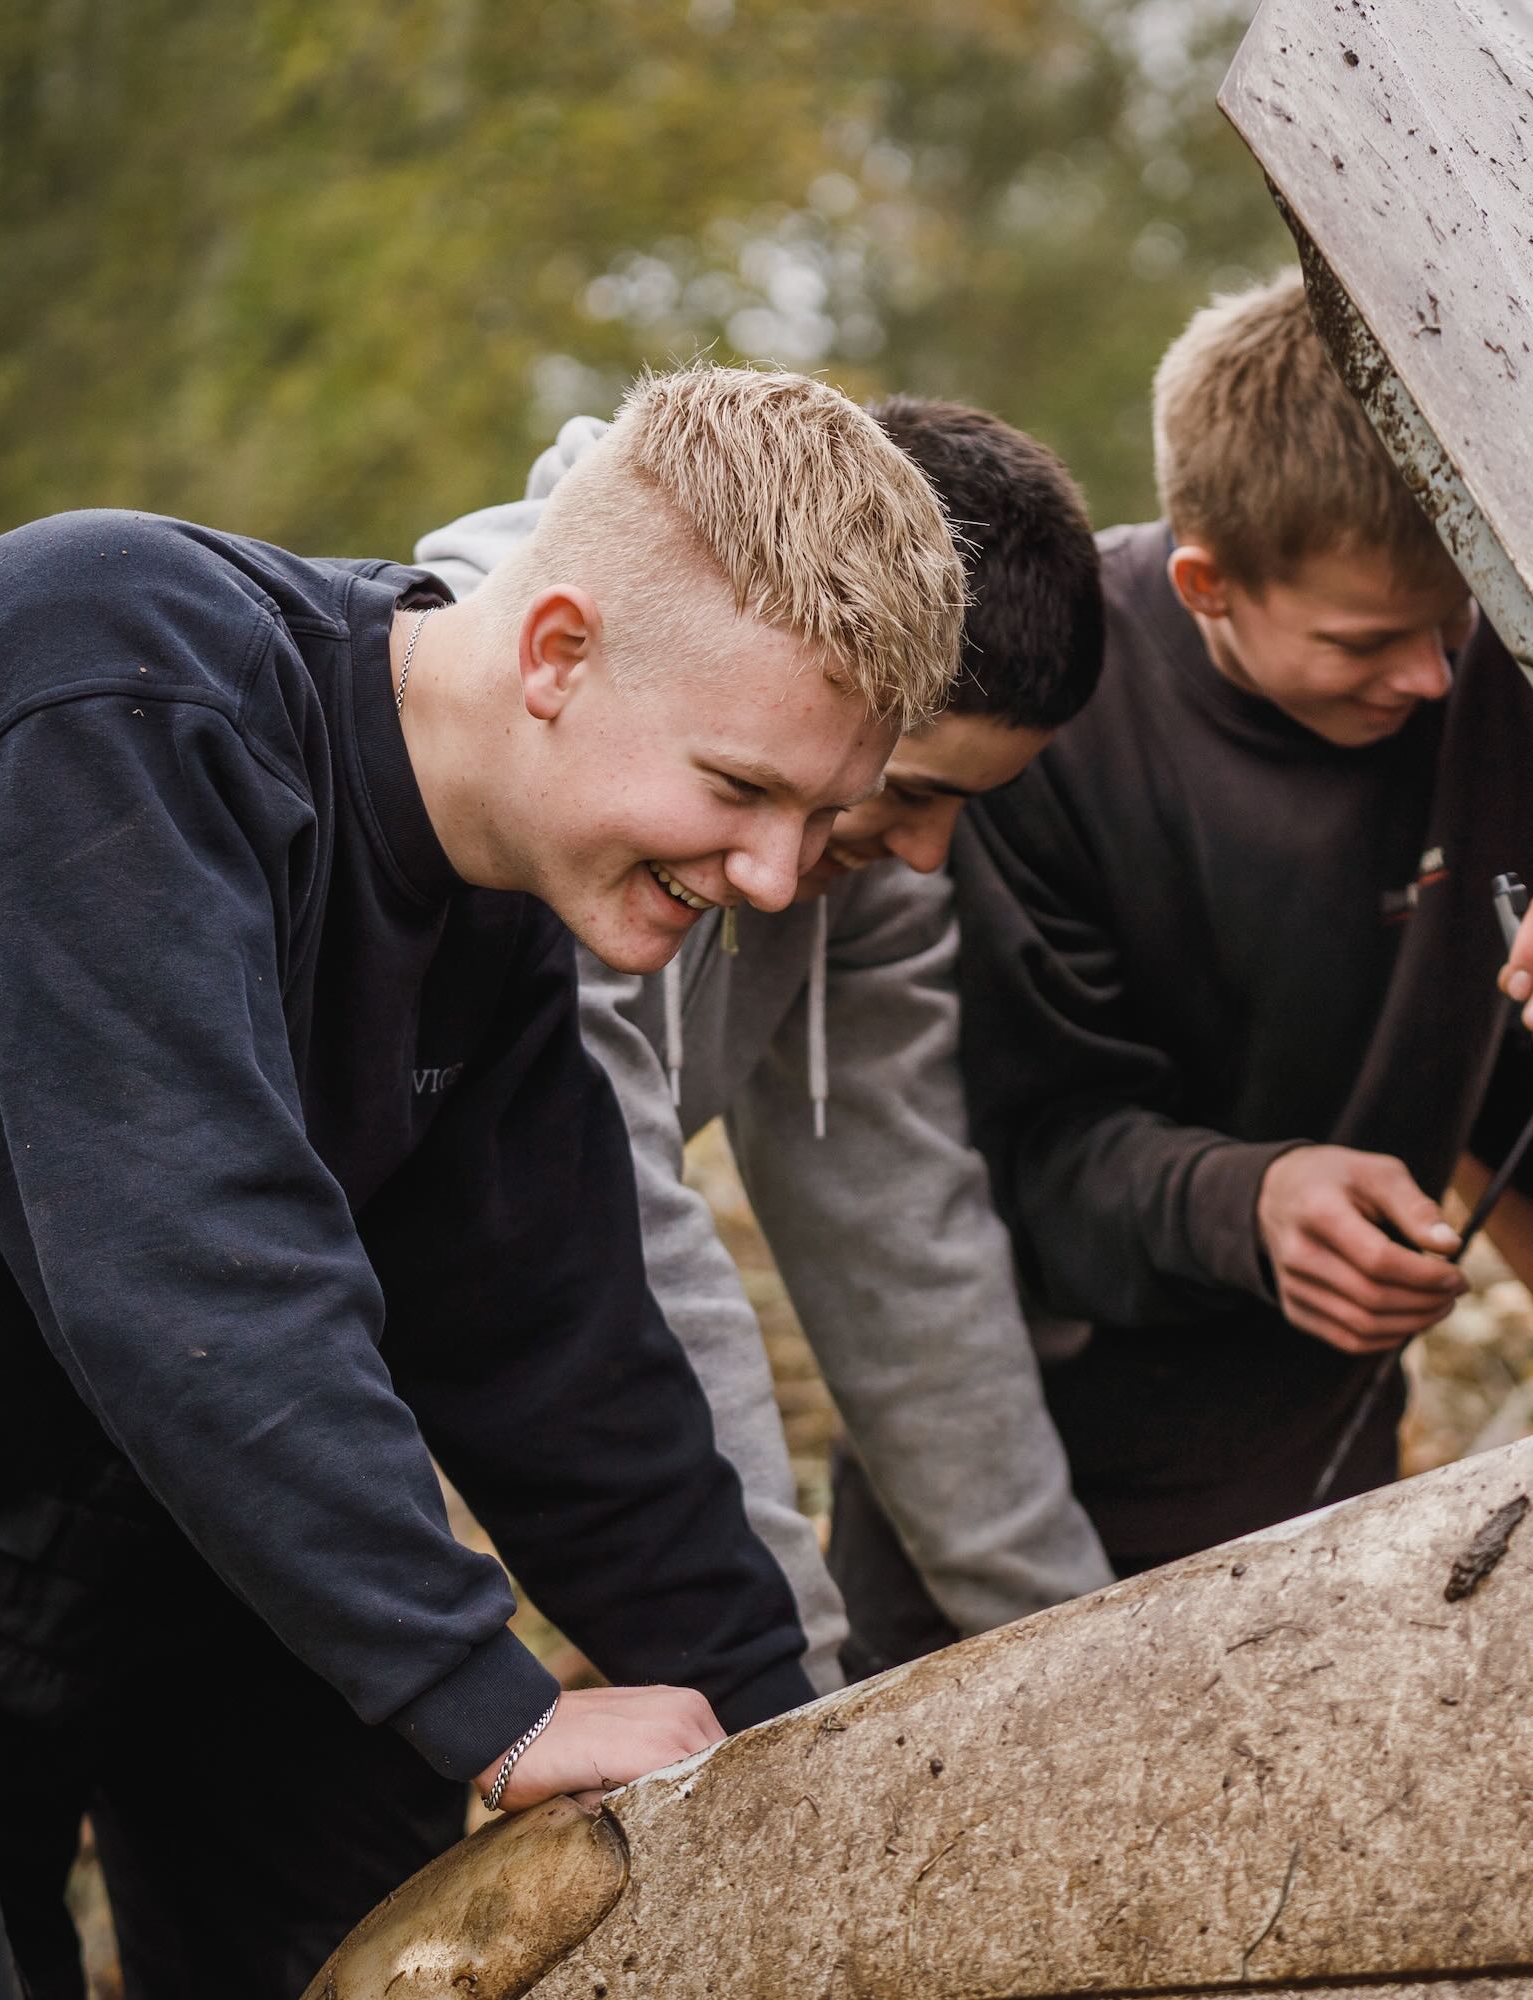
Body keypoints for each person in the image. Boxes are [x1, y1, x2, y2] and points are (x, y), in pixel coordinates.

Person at [0, 365, 963, 1999]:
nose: (770, 875)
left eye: (817, 814)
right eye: (741, 790)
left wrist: (795, 1746)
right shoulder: (112, 685)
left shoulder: (484, 932)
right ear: (557, 651)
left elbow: (561, 1364)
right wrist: (496, 1704)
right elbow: (186, 1256)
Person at [942, 270, 1533, 1589]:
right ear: (1209, 581)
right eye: (1365, 641)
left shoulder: (1503, 672)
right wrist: (1252, 1198)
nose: (1431, 678)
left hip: (1327, 1452)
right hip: (1032, 1461)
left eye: (1451, 622)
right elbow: (1024, 1157)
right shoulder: (1048, 716)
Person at [415, 395, 1116, 1690]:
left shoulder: (860, 871)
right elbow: (628, 1246)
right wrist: (790, 1694)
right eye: (908, 797)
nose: (923, 852)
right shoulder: (560, 777)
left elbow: (906, 1245)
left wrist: (1074, 1646)